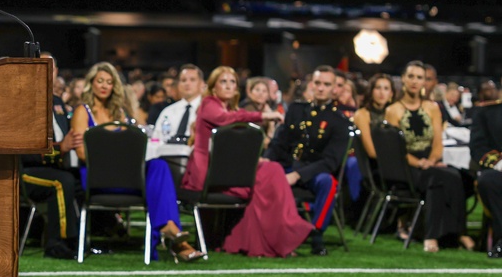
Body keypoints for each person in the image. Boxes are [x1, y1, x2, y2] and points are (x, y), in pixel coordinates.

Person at [71, 62, 195, 262]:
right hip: (97, 176)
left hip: (125, 174)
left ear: (114, 87)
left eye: (109, 82)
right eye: (100, 81)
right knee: (154, 173)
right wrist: (116, 154)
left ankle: (171, 228)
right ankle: (175, 238)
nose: (104, 86)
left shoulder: (119, 113)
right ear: (91, 83)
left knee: (159, 165)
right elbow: (82, 153)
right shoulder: (82, 112)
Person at [181, 66, 310, 257]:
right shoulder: (209, 104)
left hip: (229, 169)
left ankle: (271, 238)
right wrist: (264, 115)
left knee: (270, 173)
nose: (228, 86)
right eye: (223, 82)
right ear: (213, 87)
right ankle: (279, 235)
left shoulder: (231, 108)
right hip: (209, 174)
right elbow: (225, 119)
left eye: (232, 82)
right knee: (270, 173)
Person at [384, 61, 474, 253]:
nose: (415, 81)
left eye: (420, 77)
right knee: (441, 178)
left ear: (425, 81)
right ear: (404, 79)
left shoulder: (432, 107)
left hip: (430, 163)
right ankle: (436, 235)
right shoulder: (393, 110)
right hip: (406, 167)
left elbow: (437, 142)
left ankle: (454, 233)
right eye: (411, 76)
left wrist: (431, 161)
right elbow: (395, 151)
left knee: (456, 175)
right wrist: (419, 163)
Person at [264, 65, 351, 256]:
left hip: (313, 172)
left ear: (334, 89)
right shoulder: (296, 109)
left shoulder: (340, 121)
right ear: (312, 84)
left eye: (326, 84)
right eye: (318, 83)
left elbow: (331, 162)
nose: (320, 88)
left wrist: (298, 175)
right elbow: (280, 143)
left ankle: (316, 233)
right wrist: (266, 162)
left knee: (328, 182)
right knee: (264, 172)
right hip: (287, 165)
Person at [21, 53, 82, 260]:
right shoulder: (22, 100)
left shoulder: (58, 102)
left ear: (57, 73)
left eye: (52, 67)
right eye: (41, 65)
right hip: (24, 171)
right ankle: (60, 243)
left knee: (83, 179)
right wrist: (60, 149)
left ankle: (88, 239)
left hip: (56, 167)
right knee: (62, 182)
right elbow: (25, 148)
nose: (48, 71)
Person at [469, 94, 502, 257]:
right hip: (499, 171)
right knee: (487, 181)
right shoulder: (486, 112)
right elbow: (478, 147)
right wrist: (499, 163)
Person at [352, 73, 394, 160]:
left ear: (391, 94)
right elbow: (371, 152)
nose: (382, 93)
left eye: (386, 88)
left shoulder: (394, 113)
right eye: (378, 88)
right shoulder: (362, 114)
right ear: (371, 91)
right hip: (370, 162)